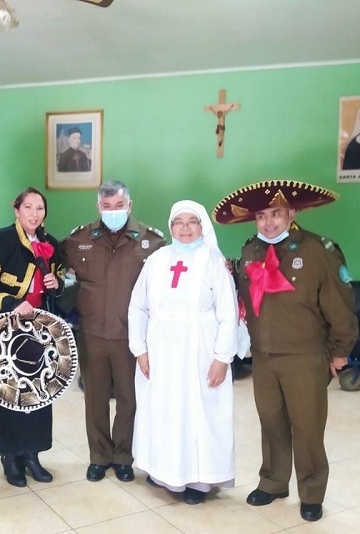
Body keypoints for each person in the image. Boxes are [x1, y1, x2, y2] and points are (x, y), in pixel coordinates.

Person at [213, 179, 358, 523]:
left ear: (292, 213)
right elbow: (242, 296)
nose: (268, 223)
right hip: (264, 356)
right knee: (272, 423)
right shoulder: (250, 251)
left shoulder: (318, 250)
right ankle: (274, 481)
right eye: (261, 216)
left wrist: (340, 352)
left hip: (305, 356)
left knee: (307, 428)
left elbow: (340, 306)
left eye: (275, 214)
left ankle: (311, 492)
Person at [128, 200, 238, 504]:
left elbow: (228, 314)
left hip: (200, 350)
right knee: (163, 411)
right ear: (170, 226)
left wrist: (222, 358)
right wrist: (140, 350)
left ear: (202, 227)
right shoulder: (157, 259)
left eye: (192, 222)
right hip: (161, 350)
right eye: (179, 222)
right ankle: (163, 472)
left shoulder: (214, 262)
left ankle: (198, 482)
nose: (185, 228)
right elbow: (138, 306)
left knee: (197, 414)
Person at [60, 180, 165, 482]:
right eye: (107, 207)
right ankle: (99, 456)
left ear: (129, 205)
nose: (113, 211)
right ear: (98, 207)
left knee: (128, 399)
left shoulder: (151, 241)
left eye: (119, 206)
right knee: (94, 398)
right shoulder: (79, 239)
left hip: (130, 337)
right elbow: (52, 265)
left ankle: (123, 456)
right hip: (91, 332)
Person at [0, 187, 64, 487]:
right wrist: (11, 303)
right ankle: (9, 456)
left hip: (38, 330)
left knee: (38, 390)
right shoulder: (0, 239)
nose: (34, 214)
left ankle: (32, 453)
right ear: (16, 209)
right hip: (3, 326)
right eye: (28, 207)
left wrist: (55, 283)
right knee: (9, 391)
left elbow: (54, 290)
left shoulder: (51, 243)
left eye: (40, 208)